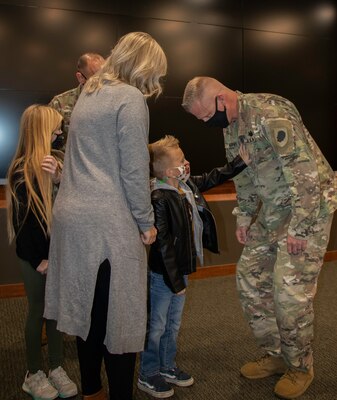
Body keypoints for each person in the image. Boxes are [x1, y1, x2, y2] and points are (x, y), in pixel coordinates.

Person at [182, 76, 337, 399]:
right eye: (201, 120)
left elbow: (303, 170)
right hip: (273, 210)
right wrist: (244, 215)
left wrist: (301, 227)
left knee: (289, 292)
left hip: (310, 206)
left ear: (222, 99)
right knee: (250, 278)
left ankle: (300, 366)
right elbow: (244, 174)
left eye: (208, 115)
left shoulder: (269, 113)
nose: (208, 123)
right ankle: (277, 354)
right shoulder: (231, 126)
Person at [43, 32, 167, 400]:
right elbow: (133, 170)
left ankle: (92, 390)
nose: (155, 83)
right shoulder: (129, 98)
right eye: (155, 73)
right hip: (109, 221)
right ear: (143, 65)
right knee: (121, 316)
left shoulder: (89, 92)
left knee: (88, 313)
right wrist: (146, 224)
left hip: (73, 216)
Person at [137, 135, 249, 398]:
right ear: (167, 170)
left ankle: (166, 366)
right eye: (181, 160)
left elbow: (213, 177)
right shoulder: (159, 197)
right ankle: (148, 373)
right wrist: (175, 283)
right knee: (156, 326)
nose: (187, 163)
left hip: (180, 272)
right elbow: (163, 245)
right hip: (164, 275)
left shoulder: (185, 187)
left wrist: (239, 162)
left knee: (173, 324)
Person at [6, 105, 78, 400]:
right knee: (38, 311)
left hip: (56, 254)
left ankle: (57, 367)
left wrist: (59, 178)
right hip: (36, 258)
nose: (60, 133)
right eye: (56, 129)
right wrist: (39, 260)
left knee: (56, 313)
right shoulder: (22, 172)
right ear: (40, 132)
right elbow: (25, 226)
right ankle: (33, 372)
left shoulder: (55, 163)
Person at [49, 52, 105, 150]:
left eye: (105, 78)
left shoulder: (113, 102)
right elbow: (44, 141)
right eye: (96, 79)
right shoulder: (59, 103)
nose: (102, 84)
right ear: (80, 77)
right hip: (67, 163)